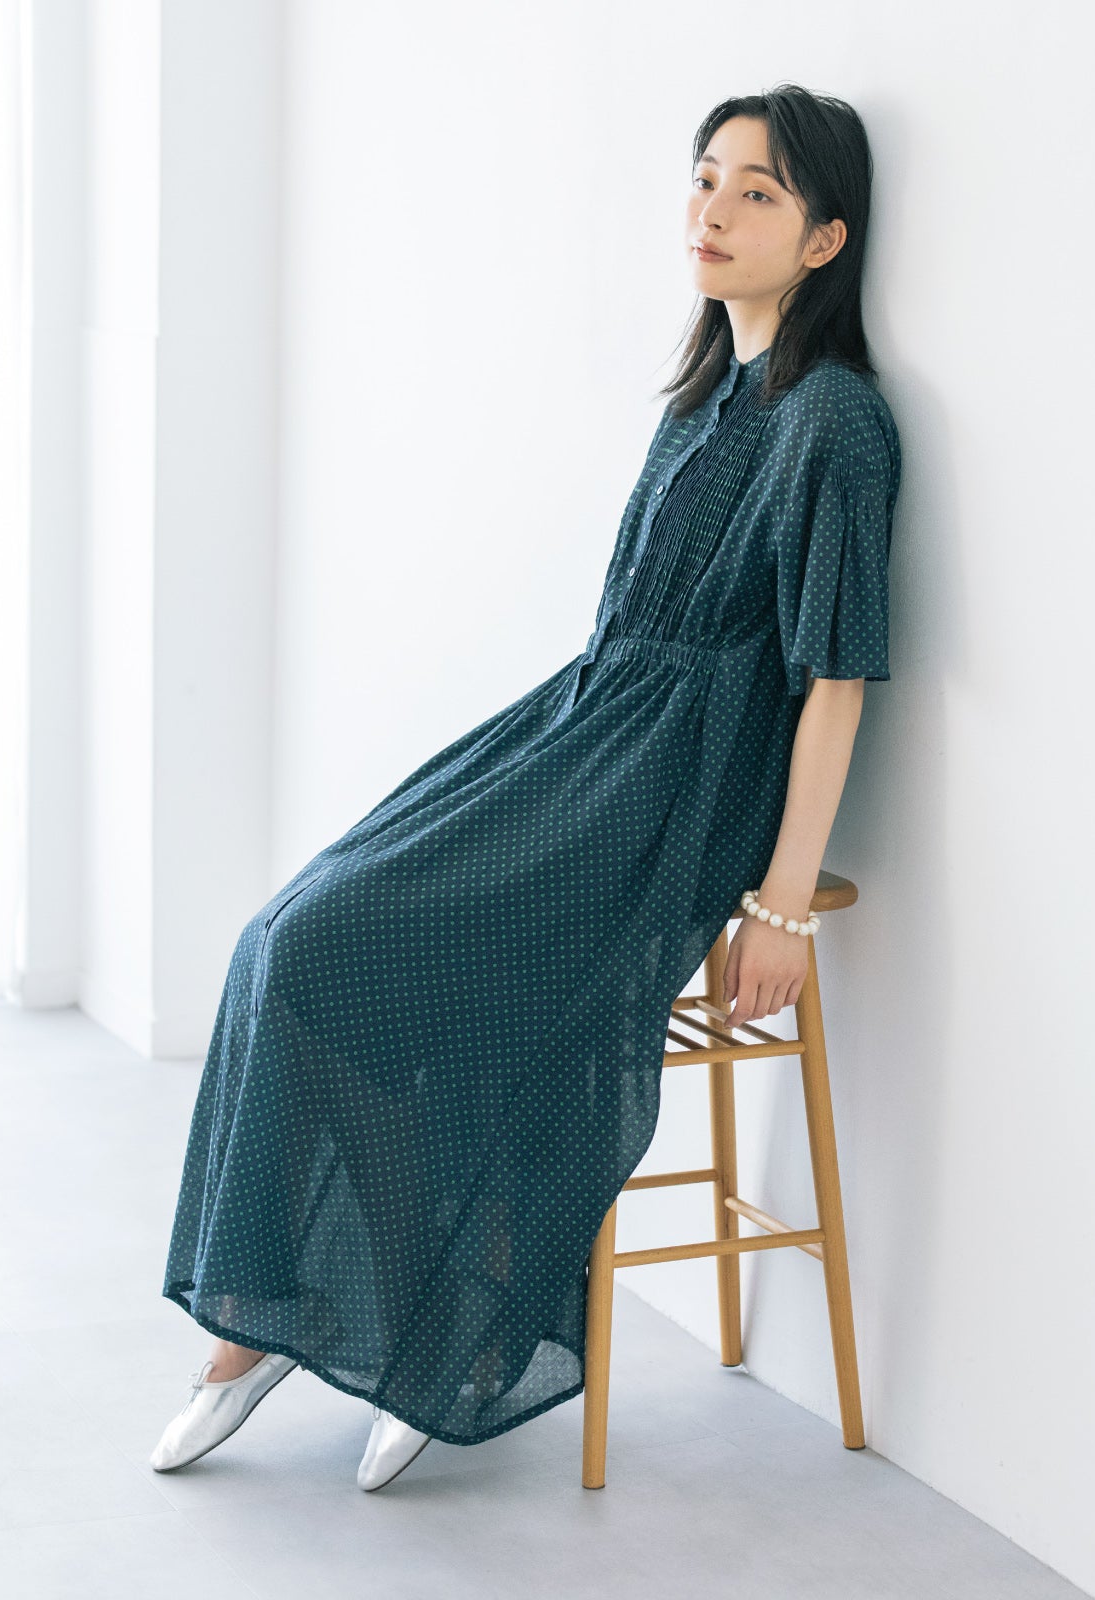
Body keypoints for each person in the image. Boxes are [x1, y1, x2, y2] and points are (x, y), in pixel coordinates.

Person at [149, 82, 903, 1493]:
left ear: (823, 240)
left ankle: (386, 1328)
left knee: (339, 958)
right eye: (706, 178)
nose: (712, 210)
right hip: (580, 737)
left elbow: (837, 678)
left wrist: (784, 905)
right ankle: (350, 1319)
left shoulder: (835, 425)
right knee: (286, 942)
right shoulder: (704, 399)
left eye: (756, 192)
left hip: (672, 794)